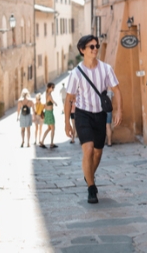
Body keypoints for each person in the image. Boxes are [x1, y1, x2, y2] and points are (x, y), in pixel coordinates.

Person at [64, 35, 122, 204]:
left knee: (97, 153)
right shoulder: (76, 73)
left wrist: (119, 111)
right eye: (91, 46)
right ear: (82, 50)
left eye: (96, 46)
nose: (95, 48)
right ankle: (91, 187)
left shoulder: (106, 69)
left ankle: (88, 174)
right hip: (83, 114)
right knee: (88, 150)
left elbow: (117, 90)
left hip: (100, 115)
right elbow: (69, 99)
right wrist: (67, 122)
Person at [39, 83, 58, 149]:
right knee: (53, 128)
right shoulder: (49, 95)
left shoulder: (47, 94)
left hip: (48, 112)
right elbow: (52, 101)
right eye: (52, 87)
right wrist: (55, 103)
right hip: (49, 113)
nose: (53, 88)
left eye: (53, 87)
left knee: (49, 128)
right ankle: (51, 143)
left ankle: (42, 142)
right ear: (49, 87)